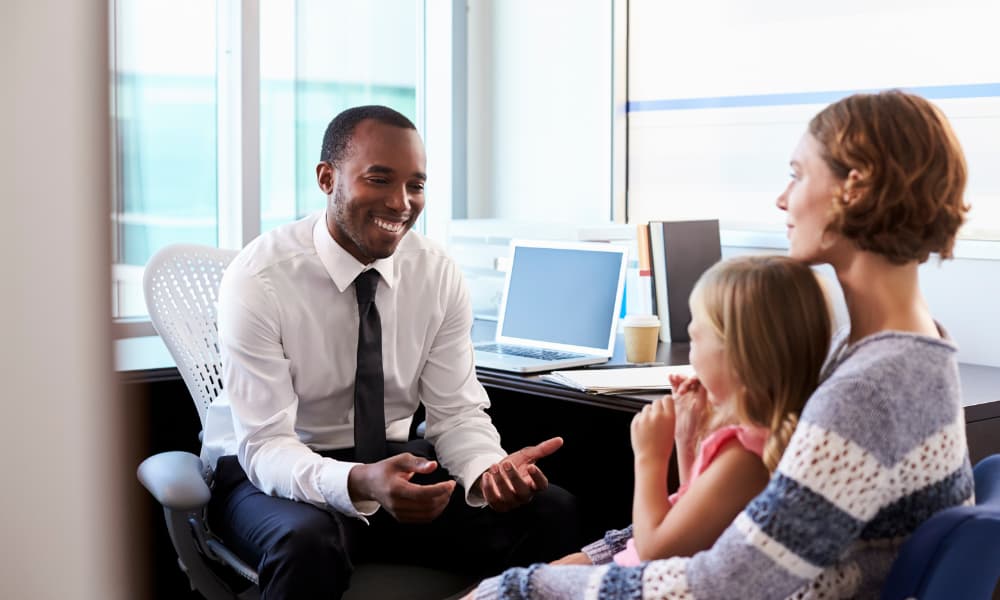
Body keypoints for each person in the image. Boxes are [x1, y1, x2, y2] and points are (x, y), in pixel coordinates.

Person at [465, 89, 976, 599]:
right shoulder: (904, 351)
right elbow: (741, 527)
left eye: (797, 174)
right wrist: (598, 554)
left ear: (855, 188)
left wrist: (526, 587)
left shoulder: (868, 391)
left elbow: (724, 581)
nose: (782, 198)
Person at [202, 105, 580, 599]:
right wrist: (358, 480)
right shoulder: (261, 278)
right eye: (379, 180)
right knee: (306, 544)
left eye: (415, 186)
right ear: (326, 178)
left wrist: (488, 470)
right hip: (267, 474)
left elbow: (456, 413)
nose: (401, 203)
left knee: (554, 513)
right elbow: (266, 446)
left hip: (392, 462)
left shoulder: (436, 272)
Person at [593, 256, 832, 568]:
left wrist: (649, 457)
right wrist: (685, 436)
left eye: (694, 337)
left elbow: (657, 551)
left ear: (737, 352)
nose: (690, 352)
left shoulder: (745, 456)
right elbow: (692, 515)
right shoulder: (757, 439)